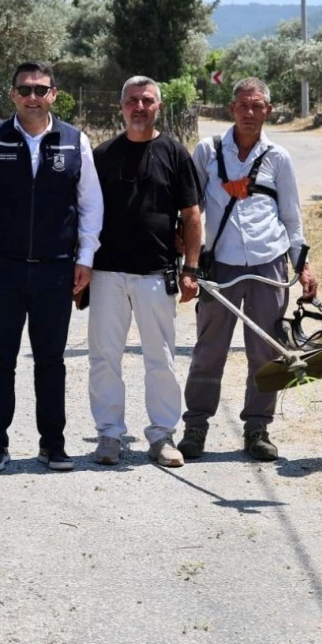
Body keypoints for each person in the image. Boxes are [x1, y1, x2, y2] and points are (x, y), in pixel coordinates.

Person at [0, 62, 103, 473]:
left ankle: (53, 445)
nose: (33, 97)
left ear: (54, 94)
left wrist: (85, 259)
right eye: (25, 90)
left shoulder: (75, 141)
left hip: (55, 270)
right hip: (1, 269)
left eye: (41, 89)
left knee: (51, 361)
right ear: (13, 95)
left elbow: (91, 205)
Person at [178, 76, 319, 462]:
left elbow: (291, 216)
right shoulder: (208, 151)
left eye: (257, 106)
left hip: (267, 264)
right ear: (232, 109)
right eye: (243, 105)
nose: (250, 113)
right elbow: (192, 211)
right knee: (209, 350)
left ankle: (258, 428)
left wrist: (303, 266)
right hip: (219, 267)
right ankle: (196, 426)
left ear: (268, 111)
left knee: (266, 351)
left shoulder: (278, 157)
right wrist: (189, 264)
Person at [88, 76, 202, 468]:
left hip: (156, 273)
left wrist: (191, 268)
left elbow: (192, 215)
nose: (140, 107)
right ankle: (109, 435)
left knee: (161, 358)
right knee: (104, 357)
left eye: (147, 100)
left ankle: (162, 435)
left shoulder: (175, 153)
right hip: (106, 274)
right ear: (121, 106)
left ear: (159, 106)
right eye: (133, 100)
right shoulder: (102, 155)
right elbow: (85, 213)